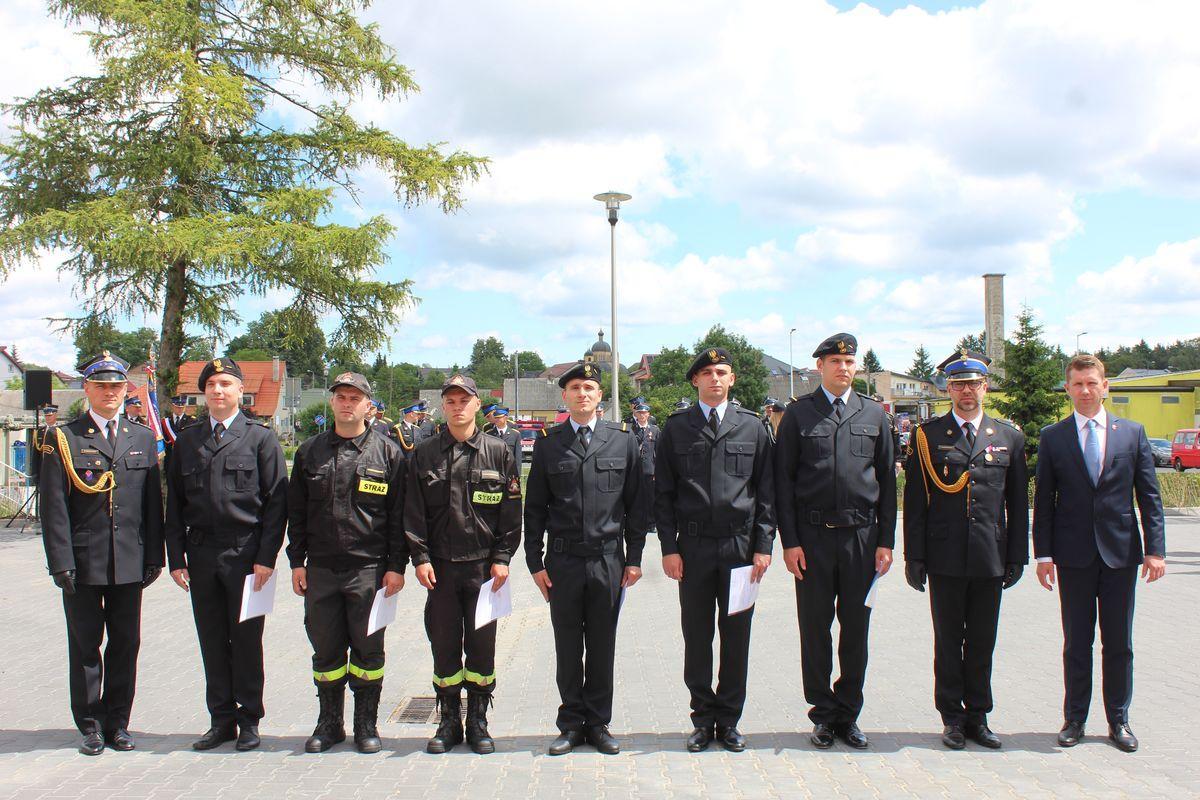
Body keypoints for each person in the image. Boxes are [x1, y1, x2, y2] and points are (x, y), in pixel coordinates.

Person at [1033, 353, 1166, 753]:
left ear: (1105, 386)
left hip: (1121, 555)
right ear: (1068, 389)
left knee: (1119, 643)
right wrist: (1043, 555)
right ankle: (1074, 719)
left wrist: (1155, 551)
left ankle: (1119, 720)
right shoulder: (1053, 437)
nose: (1086, 391)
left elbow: (1149, 497)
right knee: (1077, 643)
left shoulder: (1132, 434)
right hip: (1072, 557)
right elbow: (1044, 501)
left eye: (1092, 383)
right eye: (1078, 384)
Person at [774, 333, 896, 750]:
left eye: (849, 362)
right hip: (812, 540)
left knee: (856, 630)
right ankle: (823, 715)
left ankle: (849, 714)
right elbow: (783, 482)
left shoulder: (873, 413)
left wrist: (886, 541)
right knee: (815, 630)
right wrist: (789, 542)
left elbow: (887, 482)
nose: (843, 368)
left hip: (862, 539)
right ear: (820, 367)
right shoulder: (799, 414)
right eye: (835, 361)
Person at [903, 350, 1028, 750]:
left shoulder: (1008, 437)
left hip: (990, 556)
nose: (966, 391)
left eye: (973, 384)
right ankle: (952, 718)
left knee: (982, 641)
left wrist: (1017, 556)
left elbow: (1018, 504)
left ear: (985, 387)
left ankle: (979, 715)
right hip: (944, 556)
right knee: (947, 641)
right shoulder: (928, 436)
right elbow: (916, 503)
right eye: (958, 385)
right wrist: (914, 556)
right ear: (948, 389)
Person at [39, 353, 163, 755]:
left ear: (126, 390)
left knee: (126, 644)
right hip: (83, 561)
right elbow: (53, 507)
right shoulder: (64, 438)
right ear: (88, 390)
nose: (110, 393)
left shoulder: (141, 437)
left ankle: (118, 723)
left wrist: (154, 555)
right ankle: (91, 725)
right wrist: (60, 561)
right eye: (101, 386)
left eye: (116, 386)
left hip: (129, 560)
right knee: (86, 646)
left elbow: (151, 505)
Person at [165, 356, 289, 752]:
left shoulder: (260, 438)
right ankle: (220, 720)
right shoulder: (187, 441)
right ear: (203, 393)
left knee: (247, 640)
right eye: (211, 385)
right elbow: (174, 504)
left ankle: (249, 719)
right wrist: (176, 558)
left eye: (225, 384)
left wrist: (267, 557)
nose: (218, 391)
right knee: (212, 640)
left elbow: (277, 503)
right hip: (201, 553)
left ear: (240, 390)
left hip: (246, 554)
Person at [524, 361, 647, 756]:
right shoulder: (549, 443)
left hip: (608, 560)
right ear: (565, 396)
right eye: (575, 388)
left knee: (601, 645)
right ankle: (571, 724)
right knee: (566, 645)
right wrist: (534, 562)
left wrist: (634, 558)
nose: (582, 394)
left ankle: (598, 723)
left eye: (589, 388)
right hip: (562, 562)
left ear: (599, 396)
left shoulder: (622, 440)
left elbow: (637, 506)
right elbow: (535, 508)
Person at [655, 348, 775, 753]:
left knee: (737, 636)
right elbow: (663, 494)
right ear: (695, 381)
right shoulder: (677, 428)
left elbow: (766, 492)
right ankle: (703, 720)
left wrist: (763, 546)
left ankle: (730, 721)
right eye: (707, 373)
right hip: (693, 549)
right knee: (697, 636)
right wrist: (668, 549)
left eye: (722, 372)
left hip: (741, 549)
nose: (715, 379)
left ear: (732, 379)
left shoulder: (753, 427)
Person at [286, 372, 408, 754]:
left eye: (355, 398)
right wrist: (296, 561)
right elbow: (296, 513)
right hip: (321, 569)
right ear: (332, 401)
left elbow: (399, 516)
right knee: (326, 650)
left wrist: (396, 566)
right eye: (341, 396)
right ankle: (329, 723)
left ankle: (365, 723)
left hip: (369, 570)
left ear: (368, 405)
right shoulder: (309, 452)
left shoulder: (388, 453)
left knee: (368, 651)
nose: (347, 403)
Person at [406, 375, 522, 755]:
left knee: (482, 649)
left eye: (464, 400)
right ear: (443, 407)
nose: (458, 407)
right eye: (451, 401)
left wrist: (502, 558)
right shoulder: (425, 453)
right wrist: (420, 557)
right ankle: (449, 721)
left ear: (477, 405)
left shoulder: (498, 452)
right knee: (444, 646)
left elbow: (511, 514)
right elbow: (413, 512)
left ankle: (478, 721)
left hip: (483, 571)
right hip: (440, 569)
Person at [631, 403, 659, 533]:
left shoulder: (655, 430)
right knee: (636, 498)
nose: (642, 415)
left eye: (644, 413)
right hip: (634, 469)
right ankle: (637, 522)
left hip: (649, 469)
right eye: (639, 413)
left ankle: (651, 523)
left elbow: (659, 451)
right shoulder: (631, 429)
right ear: (635, 414)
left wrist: (657, 471)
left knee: (650, 497)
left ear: (648, 414)